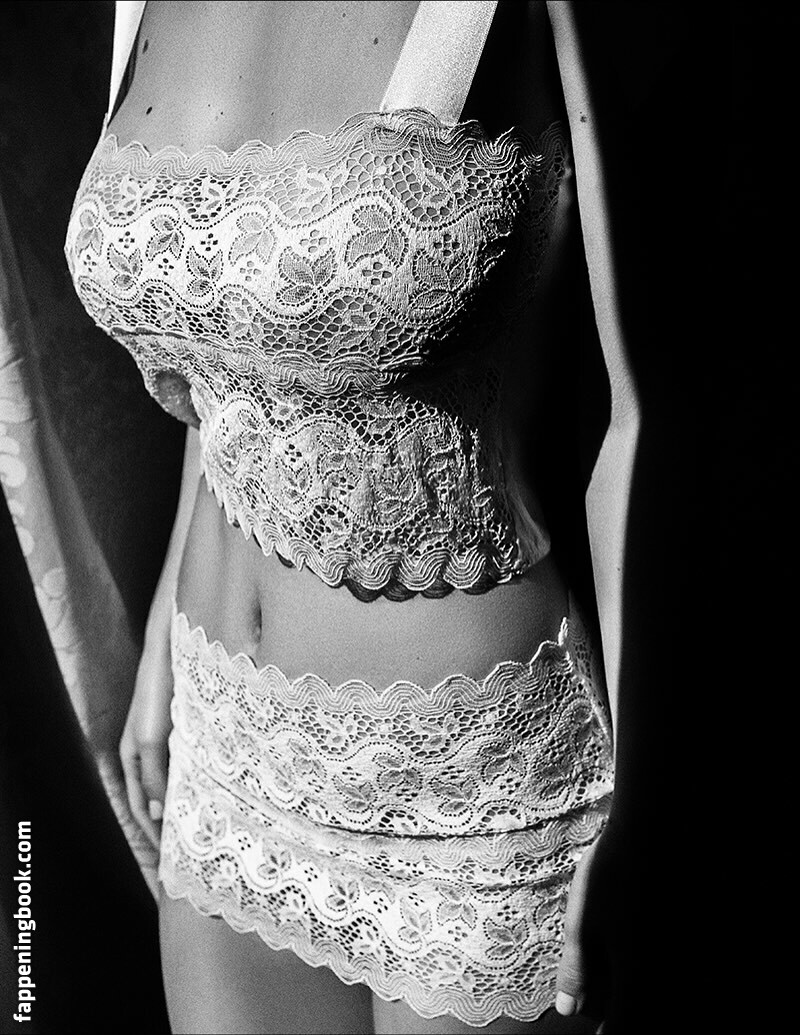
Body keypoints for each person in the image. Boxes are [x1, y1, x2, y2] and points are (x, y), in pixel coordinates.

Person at [64, 2, 637, 1032]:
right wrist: (157, 630)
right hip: (224, 743)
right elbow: (230, 332)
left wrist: (649, 790)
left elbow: (647, 417)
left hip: (464, 793)